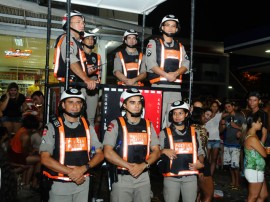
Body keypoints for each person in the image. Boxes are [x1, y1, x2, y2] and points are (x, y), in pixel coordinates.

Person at [39, 88, 104, 202]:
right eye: (70, 102)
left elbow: (100, 154)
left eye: (78, 102)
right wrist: (72, 172)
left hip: (83, 184)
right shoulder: (52, 127)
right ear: (63, 105)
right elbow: (45, 158)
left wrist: (84, 168)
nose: (75, 106)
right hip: (59, 185)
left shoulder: (87, 126)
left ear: (82, 105)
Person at [103, 88, 160, 202]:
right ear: (124, 105)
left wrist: (143, 165)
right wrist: (130, 167)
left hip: (143, 177)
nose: (137, 106)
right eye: (132, 102)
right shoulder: (115, 124)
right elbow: (107, 152)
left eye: (139, 102)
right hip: (121, 177)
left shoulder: (148, 125)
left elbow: (157, 151)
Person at [145, 14, 190, 129]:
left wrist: (175, 74)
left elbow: (186, 64)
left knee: (174, 121)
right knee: (156, 120)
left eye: (173, 26)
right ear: (162, 27)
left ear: (176, 29)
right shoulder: (153, 43)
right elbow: (150, 63)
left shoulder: (180, 46)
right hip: (158, 87)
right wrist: (166, 75)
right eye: (167, 25)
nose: (170, 28)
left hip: (175, 89)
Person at [158, 101, 204, 202]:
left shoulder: (194, 132)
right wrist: (163, 151)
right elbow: (155, 153)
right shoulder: (164, 133)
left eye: (180, 113)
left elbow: (200, 152)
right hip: (171, 178)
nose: (177, 116)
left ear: (186, 114)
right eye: (174, 113)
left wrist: (200, 163)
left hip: (190, 177)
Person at [53, 10, 96, 90]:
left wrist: (85, 70)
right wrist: (86, 78)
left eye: (83, 23)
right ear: (69, 24)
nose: (82, 25)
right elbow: (70, 60)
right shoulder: (68, 38)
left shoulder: (75, 41)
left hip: (73, 83)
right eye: (78, 22)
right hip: (69, 85)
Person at [8, 114, 41, 189]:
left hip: (14, 154)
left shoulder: (21, 129)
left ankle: (25, 184)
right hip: (18, 157)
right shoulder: (26, 136)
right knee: (41, 159)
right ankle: (34, 183)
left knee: (32, 165)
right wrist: (32, 152)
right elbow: (25, 153)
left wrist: (32, 151)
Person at [219, 101, 246, 191]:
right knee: (230, 165)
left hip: (236, 144)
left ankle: (237, 183)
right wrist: (222, 123)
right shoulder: (226, 118)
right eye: (226, 107)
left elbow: (246, 129)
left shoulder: (240, 117)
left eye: (229, 106)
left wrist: (237, 127)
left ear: (233, 107)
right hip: (227, 143)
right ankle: (233, 181)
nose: (227, 108)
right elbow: (221, 131)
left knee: (235, 165)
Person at [243, 114, 268, 202]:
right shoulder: (252, 138)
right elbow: (264, 154)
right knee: (253, 197)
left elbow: (258, 150)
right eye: (259, 122)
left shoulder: (253, 135)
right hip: (254, 170)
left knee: (263, 195)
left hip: (257, 170)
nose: (261, 123)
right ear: (253, 123)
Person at [191, 107, 214, 202]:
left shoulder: (188, 128)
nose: (205, 117)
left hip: (193, 162)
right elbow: (200, 149)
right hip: (201, 163)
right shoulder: (200, 130)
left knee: (196, 193)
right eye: (203, 115)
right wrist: (200, 169)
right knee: (209, 194)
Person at [81, 31, 102, 126]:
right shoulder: (78, 54)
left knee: (91, 117)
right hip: (80, 86)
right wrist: (85, 72)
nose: (90, 41)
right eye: (88, 38)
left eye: (92, 39)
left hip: (93, 88)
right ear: (82, 40)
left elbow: (99, 74)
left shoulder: (97, 57)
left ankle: (91, 139)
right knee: (78, 115)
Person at [205, 100, 222, 177]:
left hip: (216, 140)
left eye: (216, 106)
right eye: (213, 106)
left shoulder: (220, 115)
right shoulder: (207, 114)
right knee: (207, 159)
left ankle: (210, 176)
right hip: (208, 140)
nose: (214, 108)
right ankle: (206, 174)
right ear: (210, 107)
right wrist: (211, 116)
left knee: (214, 159)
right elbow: (203, 122)